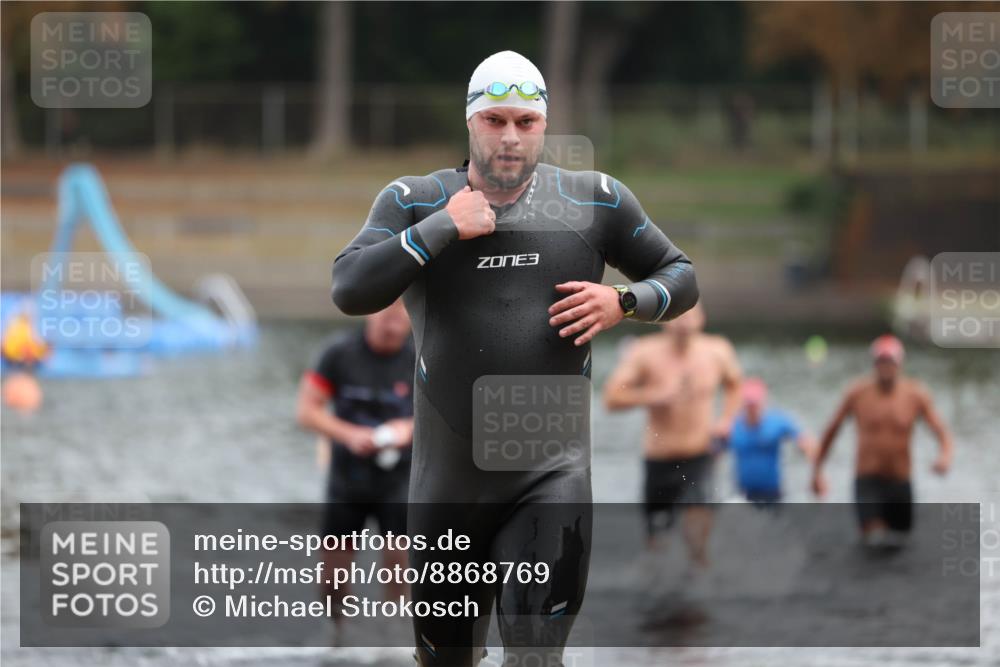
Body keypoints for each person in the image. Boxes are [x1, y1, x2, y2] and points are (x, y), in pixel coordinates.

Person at [331, 50, 698, 666]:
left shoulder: (595, 200)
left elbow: (680, 275)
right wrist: (438, 229)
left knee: (535, 659)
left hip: (551, 479)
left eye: (525, 122)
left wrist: (624, 301)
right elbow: (349, 288)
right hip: (447, 490)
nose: (509, 137)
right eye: (495, 120)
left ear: (544, 125)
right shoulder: (417, 199)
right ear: (470, 121)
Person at [295, 299, 415, 623]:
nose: (392, 322)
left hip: (400, 479)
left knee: (399, 569)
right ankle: (335, 633)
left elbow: (448, 415)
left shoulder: (421, 356)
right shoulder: (338, 353)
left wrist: (408, 429)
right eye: (386, 313)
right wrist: (349, 435)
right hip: (348, 477)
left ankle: (393, 635)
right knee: (332, 581)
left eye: (400, 314)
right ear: (370, 312)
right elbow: (306, 412)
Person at [603, 302, 740, 569]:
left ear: (701, 318)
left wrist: (727, 420)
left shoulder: (717, 350)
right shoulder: (645, 353)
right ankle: (661, 587)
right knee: (658, 542)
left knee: (697, 535)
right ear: (664, 320)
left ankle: (700, 583)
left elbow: (735, 385)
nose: (684, 322)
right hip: (659, 460)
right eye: (678, 316)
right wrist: (652, 395)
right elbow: (611, 397)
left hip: (700, 456)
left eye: (690, 315)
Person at [811, 334, 954, 545]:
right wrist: (817, 471)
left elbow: (942, 432)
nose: (885, 367)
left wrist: (945, 456)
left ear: (900, 363)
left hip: (900, 481)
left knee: (900, 545)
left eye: (890, 362)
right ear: (874, 363)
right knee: (873, 540)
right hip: (867, 480)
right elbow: (832, 431)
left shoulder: (915, 395)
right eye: (881, 362)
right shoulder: (857, 393)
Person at [725, 377, 816, 505]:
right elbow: (713, 448)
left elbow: (803, 439)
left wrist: (813, 464)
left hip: (772, 492)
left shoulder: (776, 422)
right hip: (743, 493)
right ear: (744, 404)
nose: (752, 409)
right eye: (749, 405)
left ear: (763, 402)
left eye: (755, 405)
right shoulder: (733, 426)